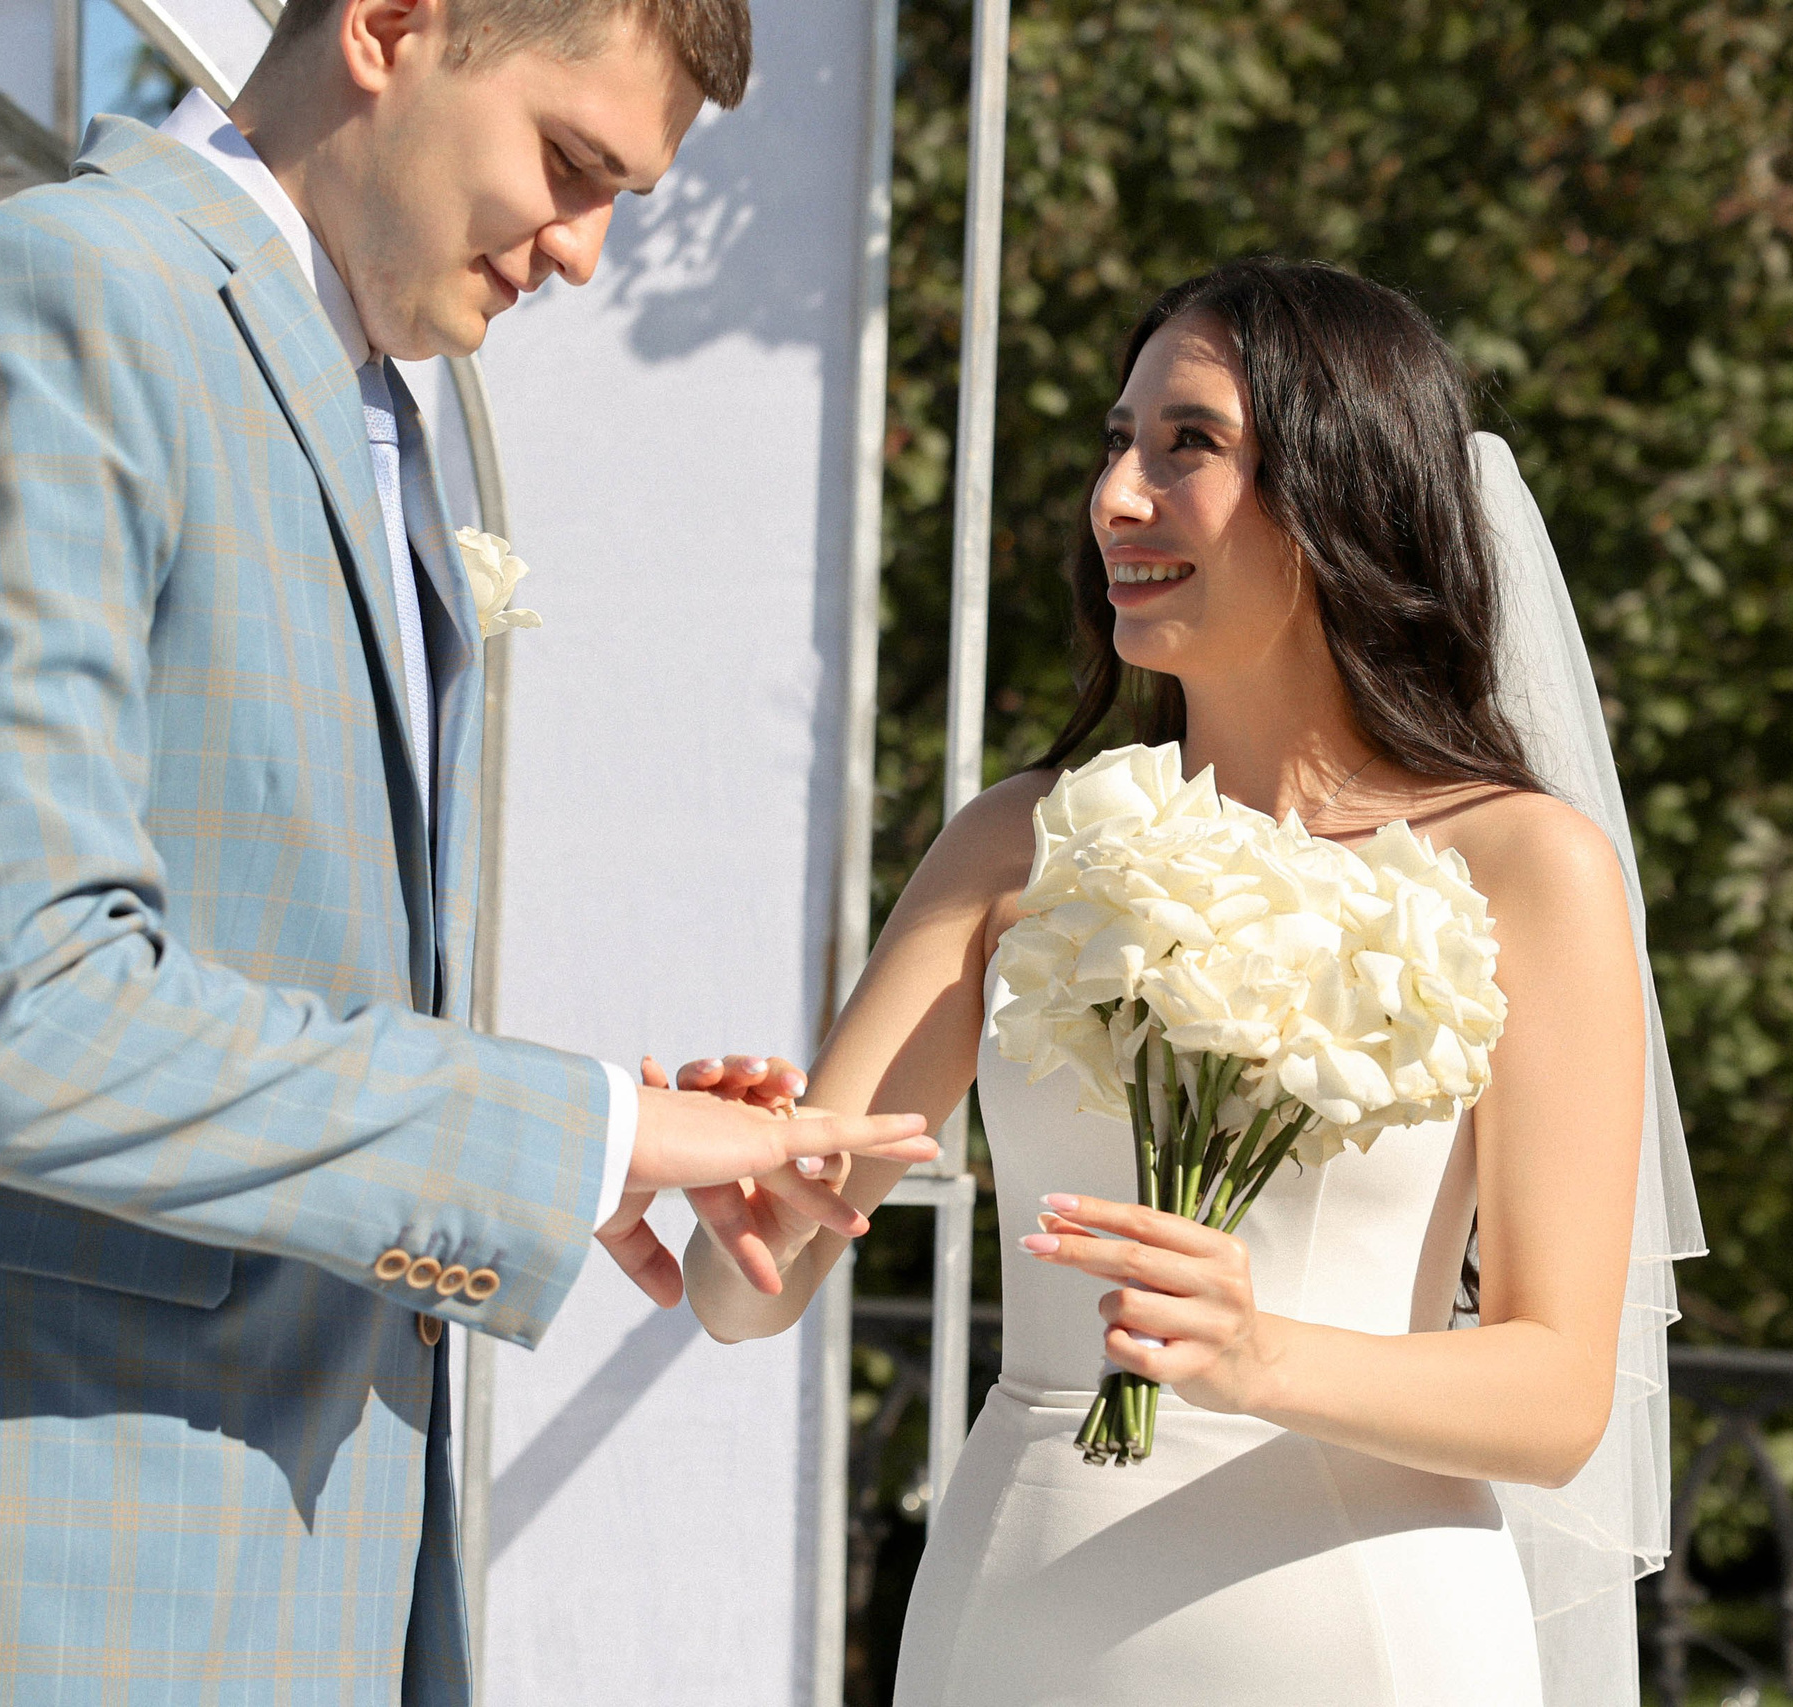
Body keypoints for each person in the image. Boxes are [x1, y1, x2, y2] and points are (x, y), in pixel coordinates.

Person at [0, 2, 934, 1701]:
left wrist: (600, 1150)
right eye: (570, 166)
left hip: (289, 1593)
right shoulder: (68, 303)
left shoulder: (367, 408)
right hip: (30, 1598)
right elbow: (8, 1016)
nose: (585, 252)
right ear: (392, 26)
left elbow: (264, 968)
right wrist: (575, 1135)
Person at [683, 257, 1700, 1706]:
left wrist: (1258, 1351)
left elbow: (1552, 1401)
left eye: (1190, 444)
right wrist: (745, 1206)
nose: (1116, 497)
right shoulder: (1012, 841)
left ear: (1339, 489)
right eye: (1117, 442)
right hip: (1011, 1624)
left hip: (1362, 1627)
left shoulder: (1527, 867)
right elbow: (751, 1298)